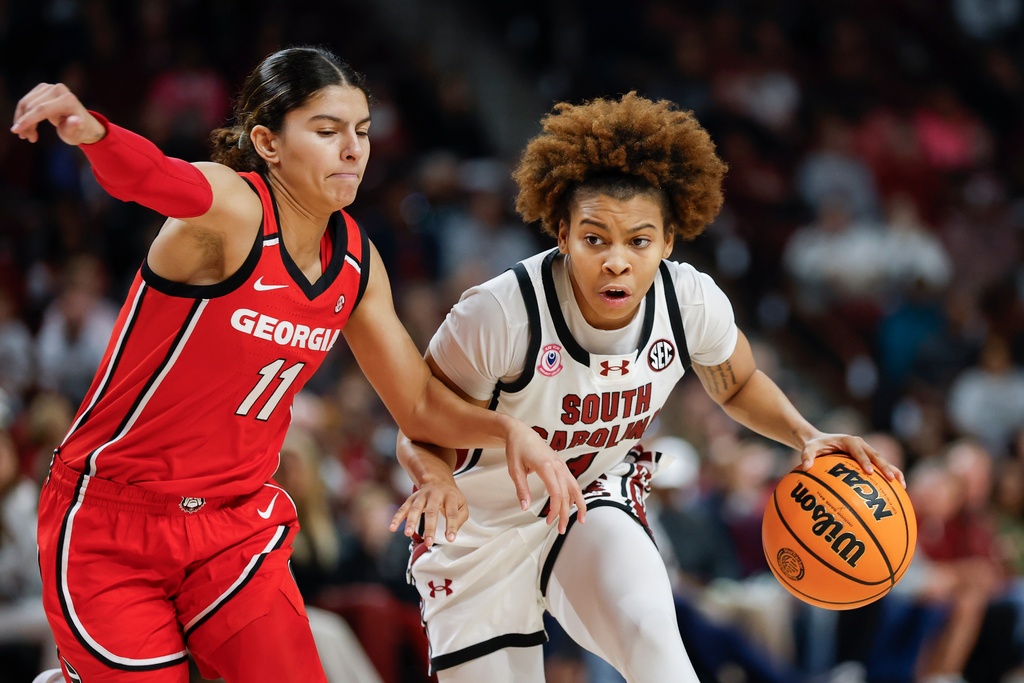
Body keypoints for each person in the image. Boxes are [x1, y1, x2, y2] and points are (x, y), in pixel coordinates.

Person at [10, 45, 584, 683]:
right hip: (114, 520)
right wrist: (92, 132)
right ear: (268, 142)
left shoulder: (357, 264)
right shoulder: (232, 210)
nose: (353, 149)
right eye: (327, 130)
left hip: (233, 526)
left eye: (362, 132)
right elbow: (154, 178)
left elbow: (417, 403)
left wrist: (508, 431)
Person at [390, 92, 905, 683]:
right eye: (594, 239)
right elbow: (419, 421)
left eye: (638, 241)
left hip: (586, 502)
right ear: (562, 234)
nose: (616, 261)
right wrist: (432, 477)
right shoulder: (500, 315)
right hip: (476, 526)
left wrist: (806, 435)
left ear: (667, 243)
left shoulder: (689, 301)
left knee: (658, 651)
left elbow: (737, 386)